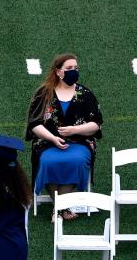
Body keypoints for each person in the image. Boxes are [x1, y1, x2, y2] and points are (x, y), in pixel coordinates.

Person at [25, 53, 103, 220]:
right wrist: (53, 138)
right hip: (47, 142)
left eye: (76, 68)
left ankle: (58, 208)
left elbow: (96, 124)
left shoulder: (85, 94)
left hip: (79, 142)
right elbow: (34, 124)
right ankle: (62, 208)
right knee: (46, 161)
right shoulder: (43, 93)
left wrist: (74, 131)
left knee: (78, 161)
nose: (73, 71)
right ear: (58, 72)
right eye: (69, 68)